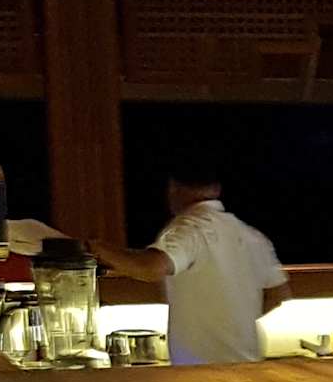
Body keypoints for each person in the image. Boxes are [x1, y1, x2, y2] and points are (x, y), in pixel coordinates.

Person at [90, 151, 288, 365]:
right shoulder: (253, 237)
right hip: (250, 367)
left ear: (173, 189)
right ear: (216, 189)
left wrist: (95, 248)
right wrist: (234, 321)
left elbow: (151, 268)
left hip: (202, 373)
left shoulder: (189, 228)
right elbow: (278, 294)